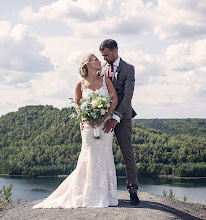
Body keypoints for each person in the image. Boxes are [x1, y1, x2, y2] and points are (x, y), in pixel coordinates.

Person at [33, 53, 119, 208]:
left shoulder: (106, 80)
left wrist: (105, 116)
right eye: (95, 60)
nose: (99, 61)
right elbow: (78, 105)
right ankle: (86, 193)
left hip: (105, 125)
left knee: (105, 154)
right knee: (89, 156)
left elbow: (114, 100)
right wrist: (84, 118)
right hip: (88, 126)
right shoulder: (80, 84)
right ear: (87, 64)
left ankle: (105, 194)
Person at [99, 39, 140, 205]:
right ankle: (103, 190)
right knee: (102, 153)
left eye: (106, 55)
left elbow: (128, 96)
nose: (104, 58)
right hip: (103, 117)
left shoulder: (129, 69)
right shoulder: (102, 69)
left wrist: (116, 117)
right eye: (102, 56)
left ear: (115, 51)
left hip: (122, 117)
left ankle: (133, 191)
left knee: (127, 153)